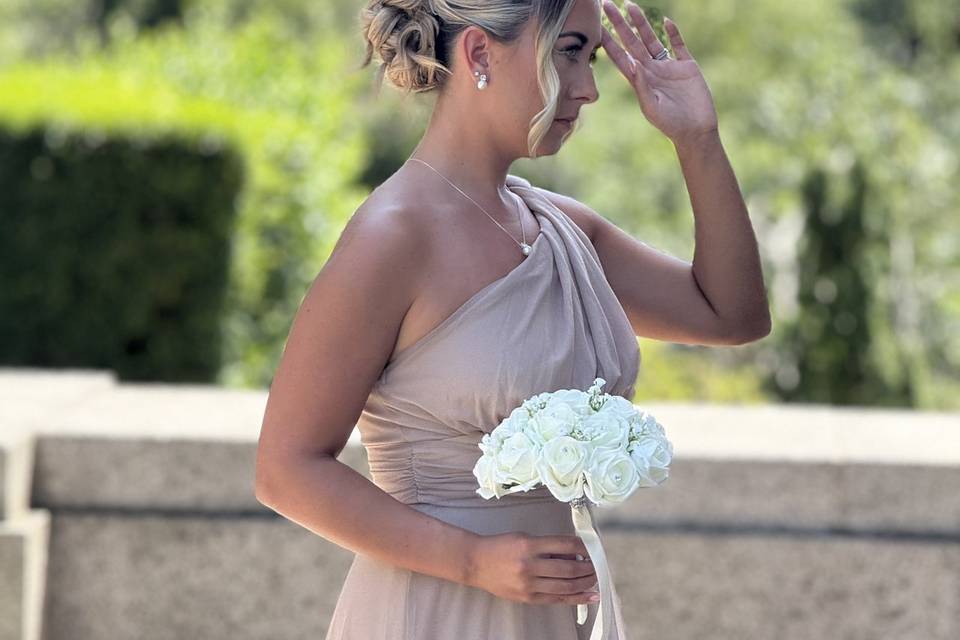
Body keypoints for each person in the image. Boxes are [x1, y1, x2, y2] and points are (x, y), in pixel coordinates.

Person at [254, 0, 771, 638]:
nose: (588, 89)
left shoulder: (561, 227)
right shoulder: (393, 236)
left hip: (554, 610)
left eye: (592, 59)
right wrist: (471, 561)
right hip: (437, 610)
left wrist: (698, 140)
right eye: (569, 52)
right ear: (478, 54)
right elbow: (285, 469)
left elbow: (733, 315)